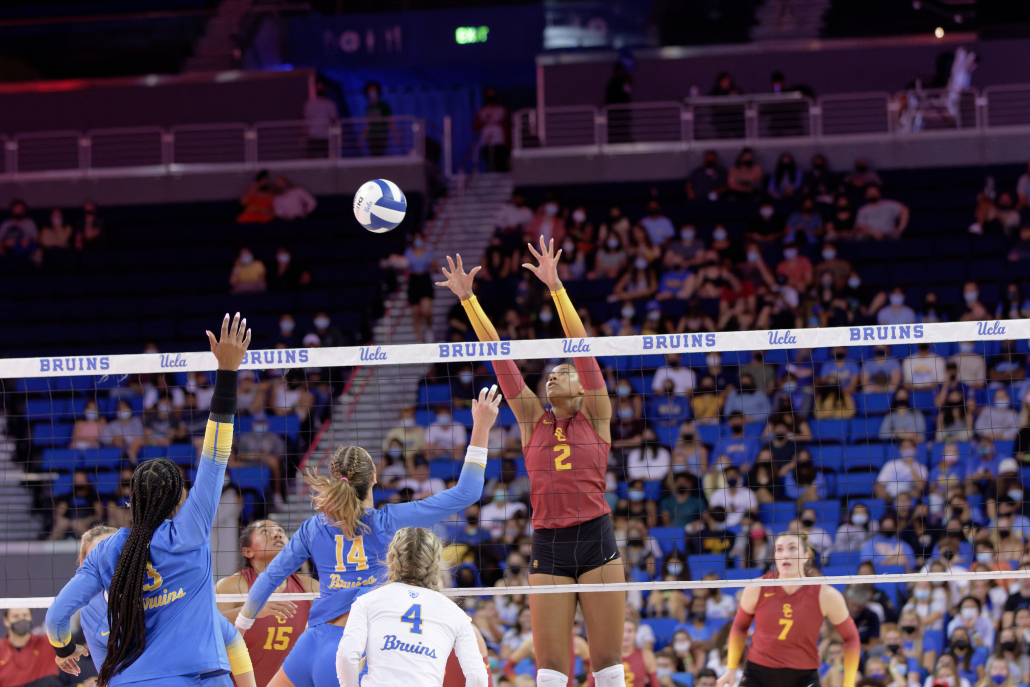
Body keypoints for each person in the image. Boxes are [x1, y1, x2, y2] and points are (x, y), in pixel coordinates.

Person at [437, 237, 626, 687]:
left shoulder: (597, 414)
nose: (554, 375)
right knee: (549, 674)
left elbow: (579, 344)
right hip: (548, 545)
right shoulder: (530, 419)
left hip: (597, 539)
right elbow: (499, 356)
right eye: (551, 373)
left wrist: (557, 287)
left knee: (610, 671)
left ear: (582, 387)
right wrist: (468, 300)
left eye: (564, 372)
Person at [233, 387, 500, 687]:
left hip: (309, 644)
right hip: (354, 648)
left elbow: (268, 579)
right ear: (374, 477)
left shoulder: (312, 527)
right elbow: (468, 492)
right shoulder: (390, 522)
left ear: (335, 480)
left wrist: (240, 628)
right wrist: (481, 426)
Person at [45, 313, 252, 686]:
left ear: (132, 501)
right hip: (198, 676)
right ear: (179, 500)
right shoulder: (190, 529)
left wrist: (63, 650)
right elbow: (215, 454)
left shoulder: (108, 550)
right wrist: (227, 370)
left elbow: (56, 617)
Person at [67, 525, 258, 687]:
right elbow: (108, 674)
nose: (109, 562)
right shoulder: (91, 613)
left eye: (116, 553)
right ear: (85, 564)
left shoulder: (167, 591)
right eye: (98, 556)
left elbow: (231, 640)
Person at [335, 526, 487, 687]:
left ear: (390, 558)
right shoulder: (456, 614)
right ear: (436, 564)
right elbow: (478, 677)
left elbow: (346, 656)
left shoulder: (367, 601)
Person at [718, 532, 861, 687]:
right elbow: (739, 627)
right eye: (779, 549)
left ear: (806, 556)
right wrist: (731, 668)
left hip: (802, 677)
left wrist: (849, 683)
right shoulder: (757, 587)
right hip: (758, 675)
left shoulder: (825, 594)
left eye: (792, 548)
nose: (785, 554)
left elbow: (851, 638)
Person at [215, 520, 320, 686]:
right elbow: (208, 628)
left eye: (280, 530)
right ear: (248, 551)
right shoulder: (232, 586)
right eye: (265, 532)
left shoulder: (309, 587)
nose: (277, 534)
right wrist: (249, 611)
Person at [1, 608, 60, 687]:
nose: (21, 619)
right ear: (6, 621)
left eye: (25, 615)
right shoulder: (1, 650)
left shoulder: (48, 643)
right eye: (15, 616)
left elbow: (76, 637)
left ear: (31, 618)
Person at [401, 231, 437, 343]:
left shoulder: (429, 252)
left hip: (425, 280)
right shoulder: (408, 253)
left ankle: (429, 329)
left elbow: (436, 268)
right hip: (414, 281)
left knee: (426, 311)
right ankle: (419, 340)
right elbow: (403, 267)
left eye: (419, 238)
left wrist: (433, 265)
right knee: (416, 313)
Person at [473, 87, 510, 172]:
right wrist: (485, 122)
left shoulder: (502, 109)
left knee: (500, 158)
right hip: (487, 138)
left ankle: (501, 172)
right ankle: (490, 172)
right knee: (488, 158)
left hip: (499, 139)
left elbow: (508, 123)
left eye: (492, 96)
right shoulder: (483, 111)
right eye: (488, 96)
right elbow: (476, 126)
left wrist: (498, 122)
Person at [360, 82, 398, 156]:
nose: (372, 93)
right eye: (370, 91)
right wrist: (361, 139)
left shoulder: (383, 106)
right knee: (373, 155)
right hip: (371, 136)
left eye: (373, 90)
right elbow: (368, 125)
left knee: (380, 155)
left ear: (378, 92)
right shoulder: (369, 108)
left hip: (382, 135)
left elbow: (390, 121)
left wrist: (396, 135)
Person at [304, 81, 339, 158]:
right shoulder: (310, 104)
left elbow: (335, 120)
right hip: (313, 136)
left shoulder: (329, 103)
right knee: (312, 159)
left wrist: (338, 137)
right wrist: (303, 136)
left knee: (327, 158)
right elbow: (306, 121)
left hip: (325, 136)